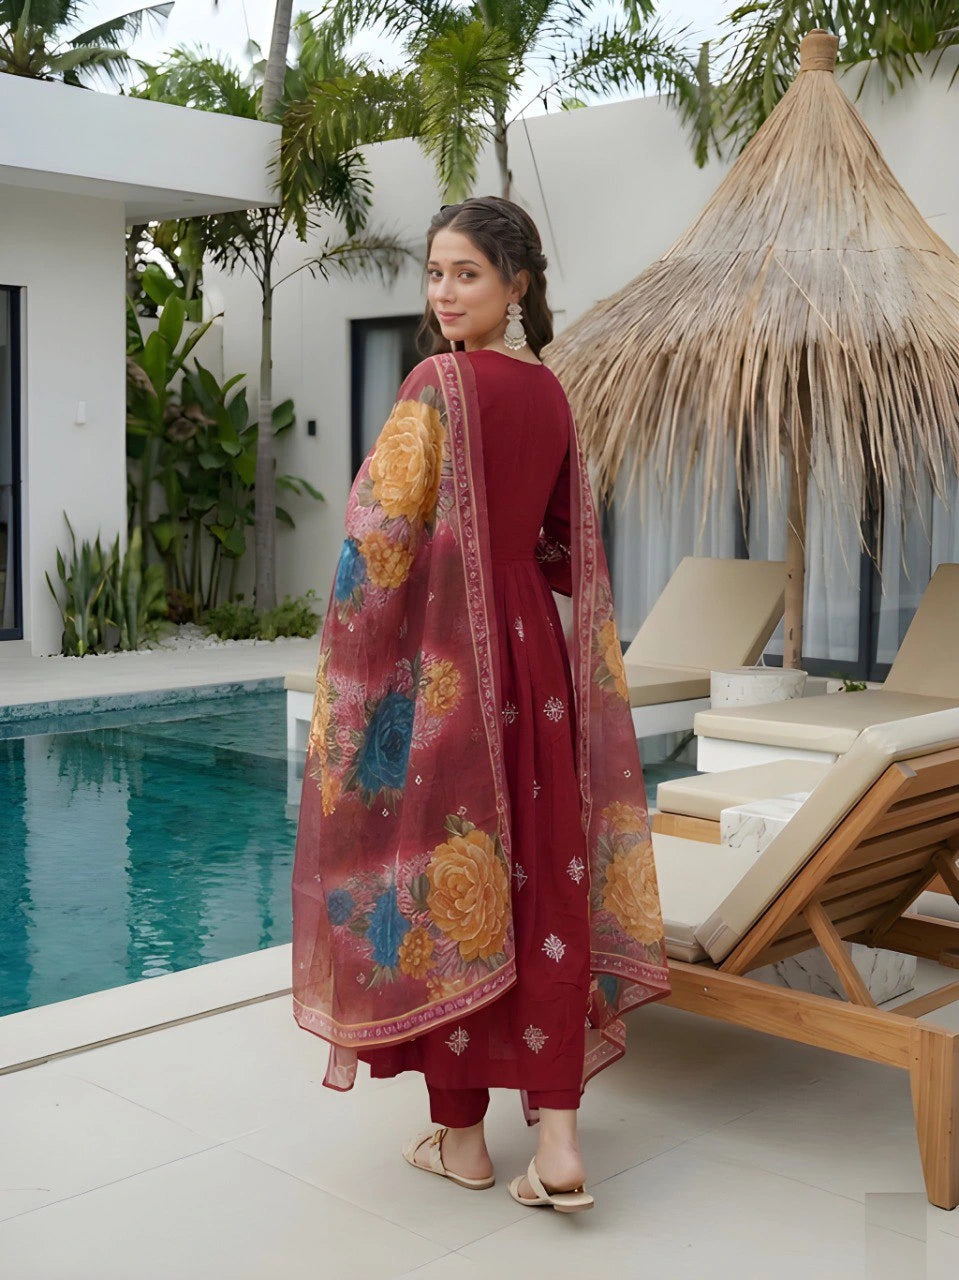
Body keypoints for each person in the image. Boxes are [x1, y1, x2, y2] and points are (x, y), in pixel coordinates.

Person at [291, 196, 669, 1214]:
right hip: (534, 665)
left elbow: (376, 546)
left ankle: (460, 1141)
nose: (445, 292)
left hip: (450, 671)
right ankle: (554, 1141)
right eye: (434, 272)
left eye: (465, 273)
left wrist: (363, 652)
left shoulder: (435, 385)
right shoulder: (551, 397)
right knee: (541, 873)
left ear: (516, 285)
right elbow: (559, 548)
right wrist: (495, 557)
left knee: (443, 871)